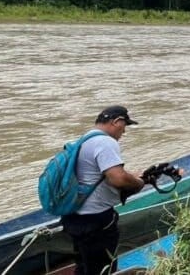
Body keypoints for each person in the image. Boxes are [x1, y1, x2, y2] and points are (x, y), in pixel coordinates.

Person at [61, 105, 146, 275]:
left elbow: (92, 176)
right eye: (125, 125)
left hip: (74, 216)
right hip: (96, 220)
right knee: (103, 269)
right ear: (117, 121)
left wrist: (133, 175)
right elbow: (117, 178)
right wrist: (138, 183)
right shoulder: (106, 141)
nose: (124, 132)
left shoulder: (84, 139)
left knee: (84, 266)